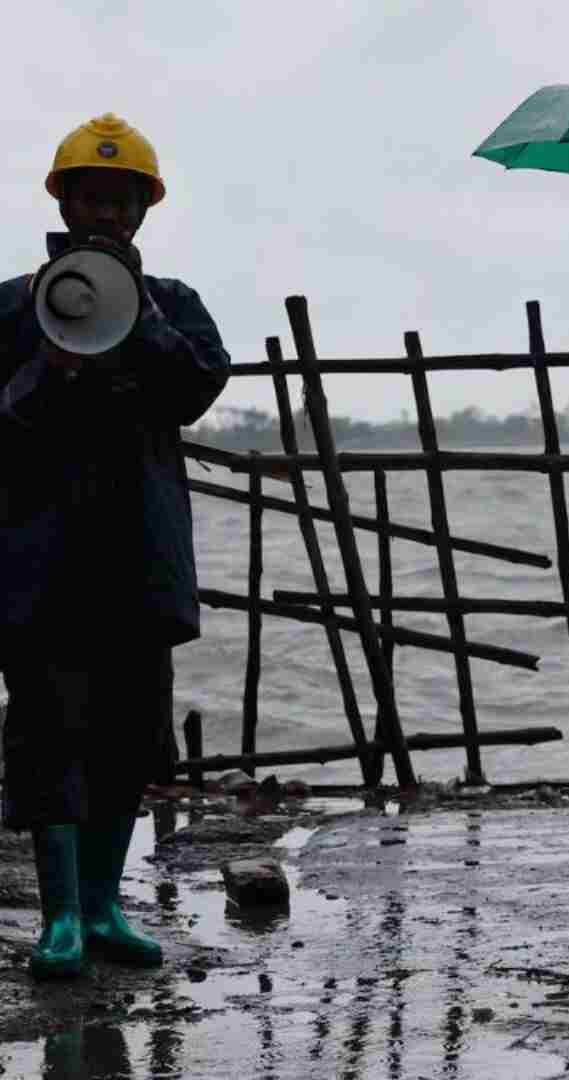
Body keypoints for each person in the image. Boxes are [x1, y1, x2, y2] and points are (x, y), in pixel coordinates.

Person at [0, 113, 230, 978]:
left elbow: (197, 389)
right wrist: (39, 375)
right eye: (91, 196)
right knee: (48, 735)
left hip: (137, 559)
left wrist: (136, 320)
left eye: (122, 198)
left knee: (128, 737)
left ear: (142, 210)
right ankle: (59, 917)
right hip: (39, 559)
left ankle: (103, 907)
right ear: (66, 200)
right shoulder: (12, 305)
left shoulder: (174, 304)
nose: (106, 211)